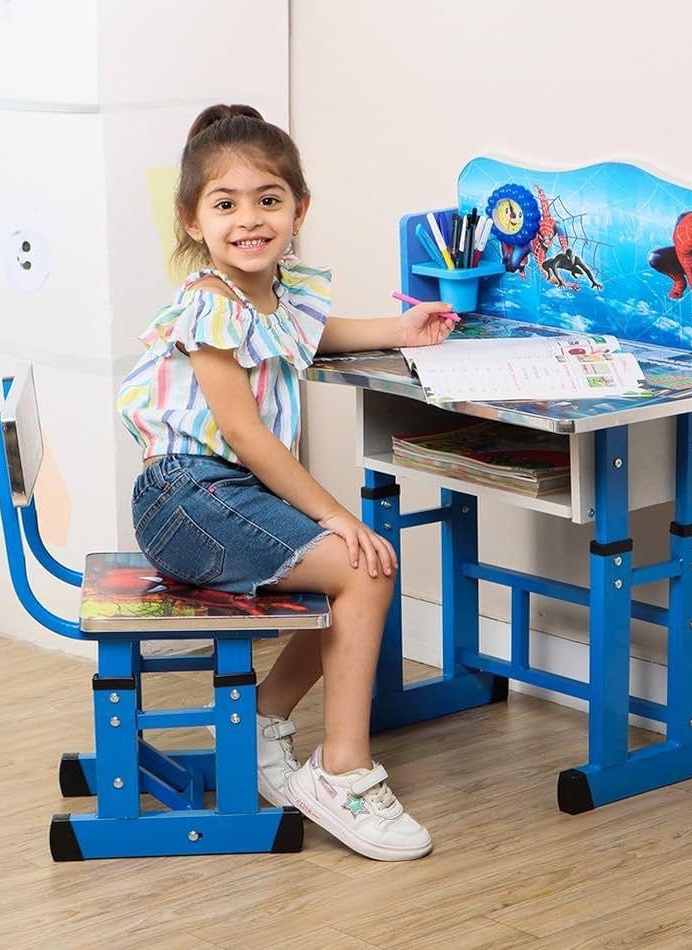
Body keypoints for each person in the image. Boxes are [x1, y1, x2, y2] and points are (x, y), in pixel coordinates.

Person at [117, 104, 456, 861]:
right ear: (192, 219)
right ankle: (342, 771)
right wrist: (335, 515)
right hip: (184, 497)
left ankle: (262, 721)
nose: (250, 219)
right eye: (225, 204)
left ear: (299, 210)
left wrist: (399, 330)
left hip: (220, 496)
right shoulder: (210, 304)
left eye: (268, 200)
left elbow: (308, 334)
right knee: (363, 565)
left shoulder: (272, 294)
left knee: (363, 568)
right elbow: (244, 434)